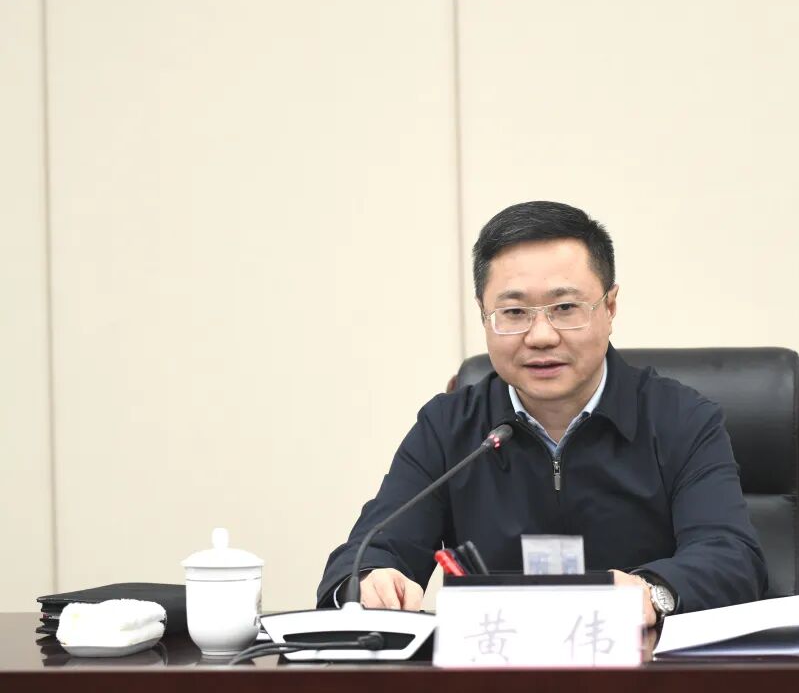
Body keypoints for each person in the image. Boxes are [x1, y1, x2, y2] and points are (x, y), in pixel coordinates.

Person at [318, 201, 766, 626]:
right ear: (484, 315)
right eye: (514, 312)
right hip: (496, 665)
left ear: (610, 307)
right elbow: (365, 555)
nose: (541, 336)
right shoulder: (449, 428)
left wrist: (653, 593)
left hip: (644, 665)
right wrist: (369, 581)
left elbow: (732, 558)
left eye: (565, 308)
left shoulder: (681, 419)